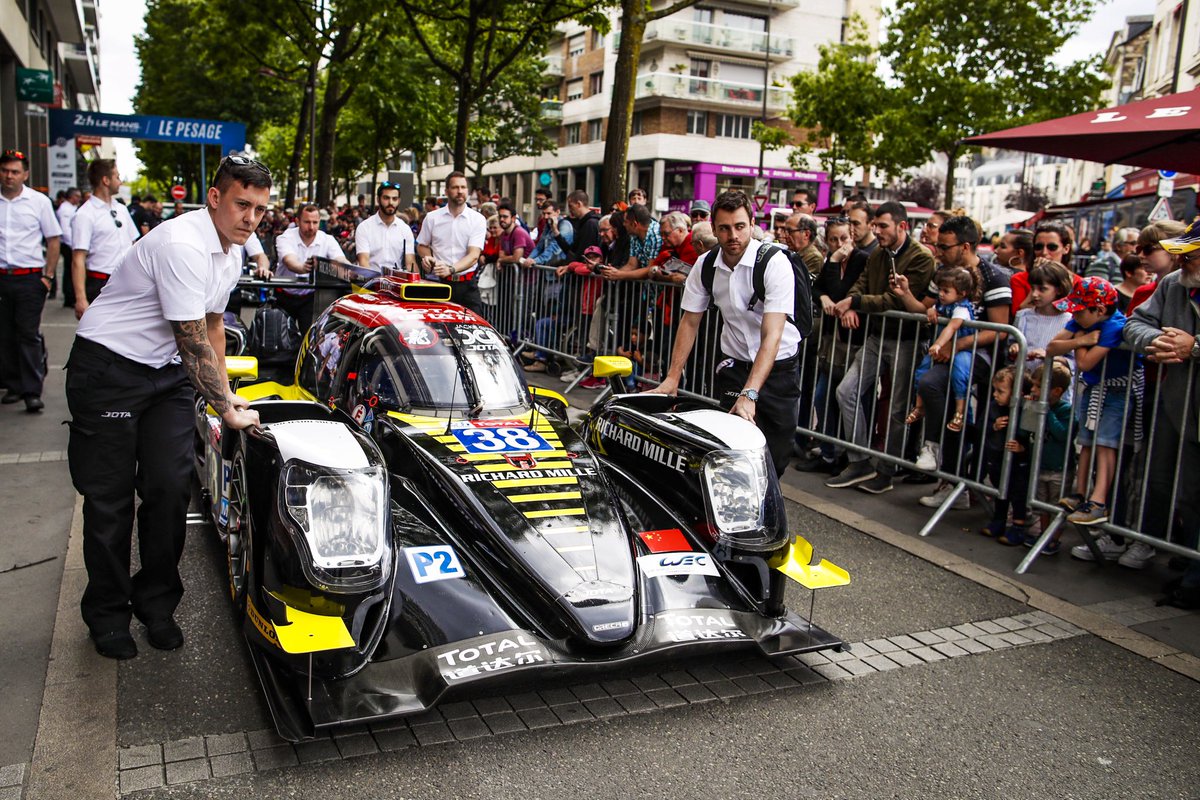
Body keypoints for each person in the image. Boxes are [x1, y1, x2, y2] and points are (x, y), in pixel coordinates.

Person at [65, 155, 268, 659]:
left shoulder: (232, 251)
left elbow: (215, 325)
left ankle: (157, 604)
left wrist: (226, 391)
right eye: (242, 204)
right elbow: (191, 336)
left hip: (167, 377)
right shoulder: (182, 242)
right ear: (215, 198)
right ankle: (108, 613)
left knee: (170, 490)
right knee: (109, 501)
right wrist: (225, 409)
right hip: (109, 370)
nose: (251, 218)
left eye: (261, 209)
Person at [647, 190, 801, 476]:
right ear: (714, 229)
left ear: (752, 224)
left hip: (778, 366)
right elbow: (689, 321)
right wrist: (672, 377)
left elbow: (772, 335)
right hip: (734, 364)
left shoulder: (774, 263)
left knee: (774, 458)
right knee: (732, 451)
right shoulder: (706, 265)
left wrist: (751, 394)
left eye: (740, 226)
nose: (733, 235)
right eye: (725, 228)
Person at [826, 201, 936, 494]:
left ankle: (886, 470)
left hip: (907, 339)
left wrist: (856, 303)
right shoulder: (878, 253)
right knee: (845, 391)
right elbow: (860, 284)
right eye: (875, 225)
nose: (876, 231)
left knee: (898, 406)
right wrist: (852, 302)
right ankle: (859, 460)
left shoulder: (921, 258)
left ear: (902, 226)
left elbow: (896, 300)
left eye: (882, 226)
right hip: (878, 335)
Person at [1116, 220, 1200, 571]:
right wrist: (1158, 342)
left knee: (1195, 490)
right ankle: (1184, 560)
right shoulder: (1171, 284)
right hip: (1177, 401)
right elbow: (1133, 323)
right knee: (1171, 483)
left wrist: (1194, 346)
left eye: (1190, 254)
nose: (1181, 261)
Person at [1046, 277, 1141, 529]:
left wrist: (1078, 342)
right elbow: (1052, 346)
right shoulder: (1082, 323)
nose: (1074, 315)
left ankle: (1098, 502)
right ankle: (1080, 493)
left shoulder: (1113, 325)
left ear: (1098, 310)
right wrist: (1081, 340)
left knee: (1105, 443)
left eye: (1079, 311)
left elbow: (1086, 363)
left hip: (1117, 391)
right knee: (1086, 440)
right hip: (1095, 387)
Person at [0, 148, 61, 412]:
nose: (9, 176)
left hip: (29, 279)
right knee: (5, 334)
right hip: (2, 278)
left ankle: (32, 390)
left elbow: (53, 239)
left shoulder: (38, 202)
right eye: (4, 171)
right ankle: (12, 385)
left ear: (25, 174)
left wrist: (47, 277)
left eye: (14, 171)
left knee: (27, 334)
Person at [900, 267, 977, 438]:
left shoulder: (961, 309)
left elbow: (952, 327)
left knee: (959, 375)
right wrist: (930, 310)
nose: (941, 294)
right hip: (942, 346)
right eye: (940, 289)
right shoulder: (943, 304)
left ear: (962, 293)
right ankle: (919, 407)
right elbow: (931, 308)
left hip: (960, 348)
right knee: (921, 370)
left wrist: (938, 344)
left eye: (946, 291)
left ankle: (960, 412)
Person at [71, 158, 138, 319]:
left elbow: (134, 244)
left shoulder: (121, 209)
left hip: (126, 282)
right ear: (106, 180)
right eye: (117, 177)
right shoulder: (85, 214)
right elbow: (78, 259)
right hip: (100, 284)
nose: (120, 181)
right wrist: (81, 299)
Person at [417, 171, 487, 315]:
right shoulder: (432, 218)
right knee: (437, 331)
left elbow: (474, 255)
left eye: (463, 187)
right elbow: (422, 245)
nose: (460, 191)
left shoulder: (477, 219)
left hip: (468, 285)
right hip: (439, 284)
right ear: (446, 191)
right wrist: (429, 259)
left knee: (474, 330)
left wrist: (451, 269)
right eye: (455, 187)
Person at [272, 204, 349, 332]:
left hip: (310, 297)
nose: (311, 227)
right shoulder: (285, 238)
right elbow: (288, 260)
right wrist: (302, 268)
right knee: (281, 338)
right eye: (307, 222)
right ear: (297, 221)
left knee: (309, 336)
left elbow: (340, 260)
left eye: (315, 222)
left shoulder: (327, 239)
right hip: (284, 295)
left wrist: (349, 269)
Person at [355, 182, 416, 273]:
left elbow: (410, 263)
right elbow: (364, 263)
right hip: (372, 283)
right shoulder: (364, 227)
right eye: (386, 198)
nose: (391, 202)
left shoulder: (405, 229)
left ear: (399, 201)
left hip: (397, 283)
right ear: (378, 200)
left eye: (394, 199)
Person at [55, 186, 82, 308]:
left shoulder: (72, 208)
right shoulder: (65, 209)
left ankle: (70, 296)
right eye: (77, 196)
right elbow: (66, 230)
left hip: (72, 244)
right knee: (70, 271)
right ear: (72, 196)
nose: (79, 199)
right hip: (69, 245)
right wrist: (74, 245)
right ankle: (69, 297)